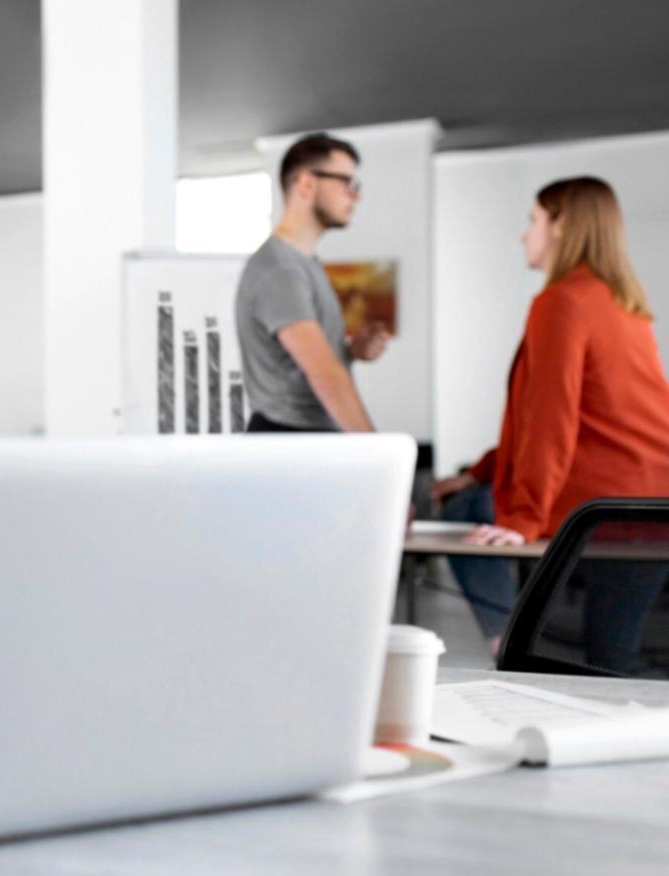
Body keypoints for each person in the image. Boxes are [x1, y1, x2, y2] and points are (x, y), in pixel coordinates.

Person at [432, 176, 669, 649]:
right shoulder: (624, 305)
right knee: (611, 659)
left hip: (607, 505)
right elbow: (582, 421)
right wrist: (482, 469)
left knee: (465, 510)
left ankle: (510, 642)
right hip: (654, 502)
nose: (525, 234)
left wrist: (522, 519)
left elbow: (550, 421)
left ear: (561, 225)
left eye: (533, 220)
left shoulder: (561, 302)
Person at [235, 132, 390, 432]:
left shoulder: (305, 264)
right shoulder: (280, 269)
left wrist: (351, 351)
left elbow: (301, 361)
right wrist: (378, 455)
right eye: (346, 182)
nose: (355, 195)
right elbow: (325, 375)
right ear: (306, 184)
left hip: (305, 441)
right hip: (290, 443)